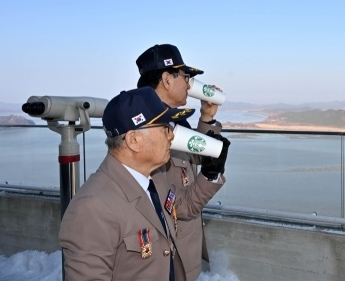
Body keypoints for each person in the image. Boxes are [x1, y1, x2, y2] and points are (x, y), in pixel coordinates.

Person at [59, 87, 229, 280]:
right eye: (165, 127)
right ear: (133, 140)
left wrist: (210, 173)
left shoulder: (154, 180)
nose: (171, 135)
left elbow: (182, 208)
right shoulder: (93, 207)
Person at [135, 43, 227, 280]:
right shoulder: (149, 132)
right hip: (170, 258)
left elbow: (194, 156)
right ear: (167, 79)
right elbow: (173, 207)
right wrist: (210, 175)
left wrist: (206, 116)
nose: (189, 84)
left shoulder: (176, 123)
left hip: (185, 250)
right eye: (186, 77)